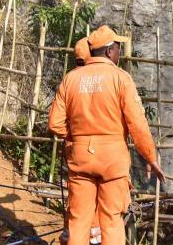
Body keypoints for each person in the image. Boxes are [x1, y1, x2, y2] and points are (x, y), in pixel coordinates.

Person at [48, 25, 164, 245]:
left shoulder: (71, 79)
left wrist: (79, 137)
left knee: (78, 220)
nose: (120, 52)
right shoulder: (121, 78)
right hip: (112, 160)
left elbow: (54, 124)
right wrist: (150, 156)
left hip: (81, 158)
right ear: (110, 51)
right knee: (111, 220)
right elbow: (137, 123)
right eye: (118, 47)